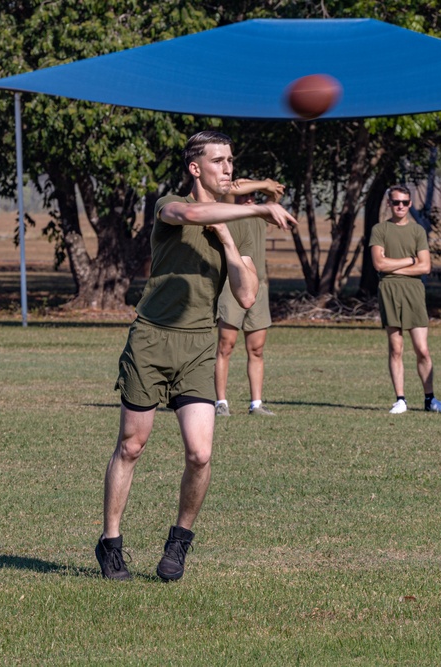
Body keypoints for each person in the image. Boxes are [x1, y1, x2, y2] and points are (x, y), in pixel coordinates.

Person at [95, 131, 297, 581]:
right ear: (195, 168)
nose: (228, 169)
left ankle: (178, 544)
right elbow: (189, 212)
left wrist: (227, 238)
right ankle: (110, 543)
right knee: (132, 445)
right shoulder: (169, 204)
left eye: (231, 160)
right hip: (151, 339)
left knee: (200, 454)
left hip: (198, 346)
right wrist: (261, 205)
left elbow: (246, 296)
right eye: (219, 161)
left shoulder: (237, 222)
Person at [369, 185, 441, 414]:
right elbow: (379, 264)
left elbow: (425, 266)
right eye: (396, 202)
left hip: (414, 293)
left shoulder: (417, 231)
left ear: (409, 203)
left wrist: (395, 266)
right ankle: (400, 399)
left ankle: (430, 399)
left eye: (405, 202)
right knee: (396, 347)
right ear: (389, 203)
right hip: (388, 290)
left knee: (422, 349)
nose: (400, 206)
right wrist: (409, 261)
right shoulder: (380, 229)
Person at [214, 178, 286, 418]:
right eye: (246, 194)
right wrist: (262, 183)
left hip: (260, 287)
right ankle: (221, 402)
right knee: (226, 346)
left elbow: (276, 194)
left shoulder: (260, 215)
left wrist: (264, 187)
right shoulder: (227, 211)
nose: (249, 199)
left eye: (253, 196)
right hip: (231, 285)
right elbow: (231, 190)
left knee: (256, 349)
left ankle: (256, 403)